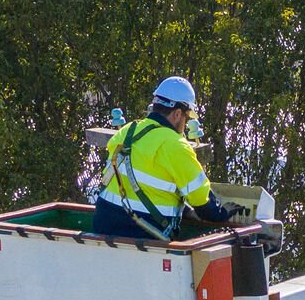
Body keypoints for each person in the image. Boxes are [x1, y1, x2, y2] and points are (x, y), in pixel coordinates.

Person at [93, 75, 235, 241]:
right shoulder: (175, 145)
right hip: (144, 235)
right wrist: (222, 213)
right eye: (186, 117)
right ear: (177, 114)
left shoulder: (127, 131)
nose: (185, 123)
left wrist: (186, 209)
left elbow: (146, 183)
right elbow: (201, 201)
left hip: (103, 227)